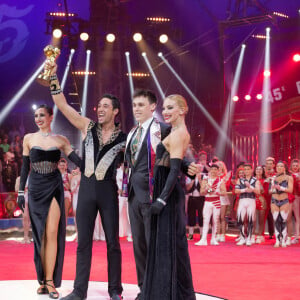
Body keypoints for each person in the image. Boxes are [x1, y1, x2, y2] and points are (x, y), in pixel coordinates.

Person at [47, 61, 126, 300]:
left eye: (105, 106)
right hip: (87, 189)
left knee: (113, 243)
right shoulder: (87, 126)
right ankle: (79, 290)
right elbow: (61, 103)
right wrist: (52, 76)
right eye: (99, 105)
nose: (100, 109)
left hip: (108, 191)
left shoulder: (124, 137)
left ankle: (115, 290)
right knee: (83, 243)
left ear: (115, 111)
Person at [124, 89, 197, 300]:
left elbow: (175, 155)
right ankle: (143, 289)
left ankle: (156, 289)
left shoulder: (165, 129)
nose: (136, 108)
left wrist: (187, 166)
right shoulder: (131, 133)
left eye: (140, 104)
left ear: (151, 107)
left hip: (153, 193)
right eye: (134, 105)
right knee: (139, 243)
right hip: (133, 195)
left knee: (155, 243)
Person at [16, 104, 81, 299]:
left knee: (52, 232)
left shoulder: (61, 140)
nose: (38, 118)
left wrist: (93, 168)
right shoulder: (29, 138)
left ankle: (51, 281)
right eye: (35, 116)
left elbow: (77, 160)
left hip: (54, 186)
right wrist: (21, 193)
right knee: (40, 235)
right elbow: (25, 167)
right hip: (35, 188)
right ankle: (42, 280)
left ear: (51, 117)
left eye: (42, 115)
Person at [195, 164, 226, 246]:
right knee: (206, 220)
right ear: (210, 170)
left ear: (218, 171)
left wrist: (216, 192)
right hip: (207, 202)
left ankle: (213, 239)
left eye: (215, 169)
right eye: (212, 169)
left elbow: (224, 192)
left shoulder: (220, 180)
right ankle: (203, 239)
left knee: (215, 220)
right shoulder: (205, 180)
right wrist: (207, 190)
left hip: (216, 202)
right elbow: (201, 192)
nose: (213, 171)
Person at [234, 163, 260, 246]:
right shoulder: (240, 180)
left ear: (252, 170)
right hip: (242, 200)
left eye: (248, 169)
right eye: (245, 169)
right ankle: (242, 238)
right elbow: (236, 191)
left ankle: (249, 238)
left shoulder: (256, 180)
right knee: (240, 219)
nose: (246, 171)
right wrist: (245, 189)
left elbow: (258, 191)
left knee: (250, 220)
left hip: (251, 200)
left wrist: (251, 188)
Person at [269, 161, 293, 247]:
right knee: (276, 220)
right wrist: (272, 188)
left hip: (284, 200)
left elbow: (290, 190)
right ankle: (277, 240)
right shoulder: (273, 178)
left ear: (284, 168)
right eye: (278, 166)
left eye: (281, 166)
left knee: (283, 220)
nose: (279, 168)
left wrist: (281, 188)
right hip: (274, 200)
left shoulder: (288, 177)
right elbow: (269, 191)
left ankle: (283, 240)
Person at [253, 165, 267, 244]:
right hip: (253, 200)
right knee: (253, 219)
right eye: (257, 169)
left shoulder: (265, 180)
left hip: (262, 200)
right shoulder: (252, 180)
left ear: (263, 171)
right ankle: (252, 235)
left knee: (261, 220)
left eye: (260, 169)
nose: (258, 171)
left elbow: (265, 192)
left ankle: (259, 236)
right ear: (254, 171)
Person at [58, 158, 72, 225]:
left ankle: (63, 231)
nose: (62, 167)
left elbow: (71, 187)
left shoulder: (68, 175)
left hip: (66, 194)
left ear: (66, 166)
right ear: (58, 166)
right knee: (57, 213)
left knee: (65, 213)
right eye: (60, 165)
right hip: (57, 194)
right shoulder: (55, 175)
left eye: (63, 165)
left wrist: (66, 184)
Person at [289, 159, 300, 244]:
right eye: (294, 165)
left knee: (297, 217)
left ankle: (296, 237)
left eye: (297, 166)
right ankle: (288, 235)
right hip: (288, 197)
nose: (295, 167)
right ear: (291, 166)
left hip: (296, 196)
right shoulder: (288, 174)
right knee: (287, 217)